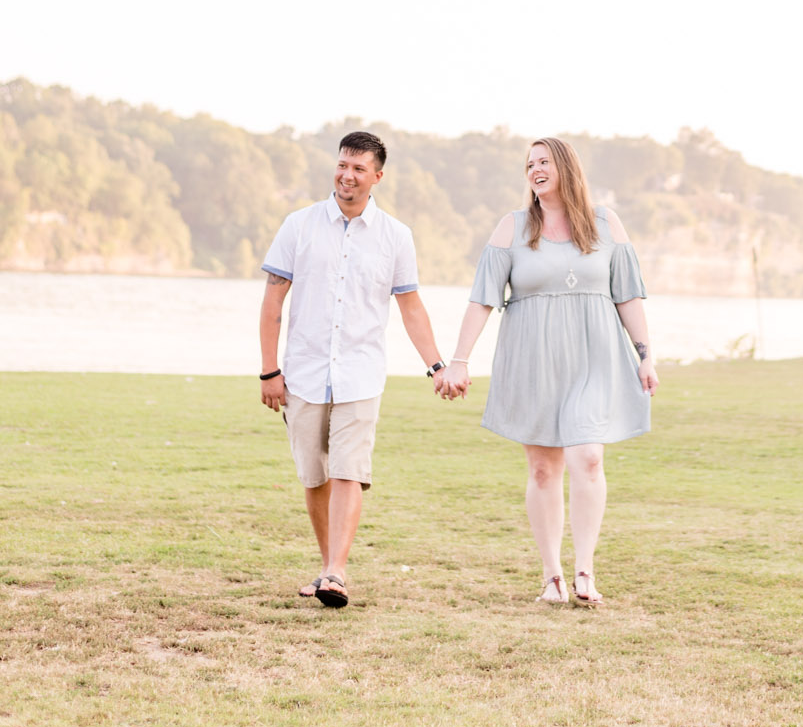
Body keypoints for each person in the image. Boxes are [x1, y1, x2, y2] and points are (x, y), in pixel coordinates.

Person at [436, 136, 658, 606]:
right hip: (532, 359)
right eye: (529, 164)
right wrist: (459, 359)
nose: (535, 170)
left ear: (565, 167)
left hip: (594, 356)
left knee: (588, 458)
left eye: (544, 162)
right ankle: (552, 576)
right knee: (542, 468)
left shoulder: (604, 223)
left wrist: (645, 354)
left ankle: (585, 571)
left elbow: (628, 295)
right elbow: (482, 300)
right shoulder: (512, 228)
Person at [258, 130, 446, 609]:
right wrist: (268, 371)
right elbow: (273, 301)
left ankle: (336, 573)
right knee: (314, 475)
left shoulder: (395, 237)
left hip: (361, 373)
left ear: (377, 177)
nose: (347, 174)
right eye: (343, 164)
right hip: (302, 372)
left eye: (359, 168)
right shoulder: (298, 226)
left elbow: (411, 308)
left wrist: (437, 366)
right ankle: (326, 569)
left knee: (348, 470)